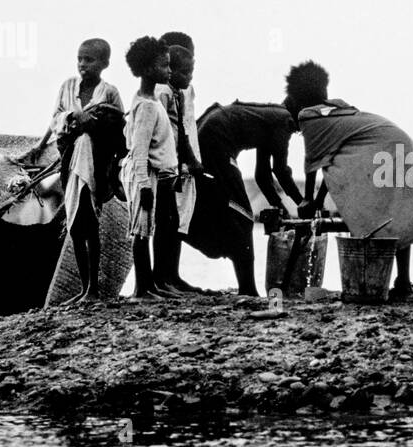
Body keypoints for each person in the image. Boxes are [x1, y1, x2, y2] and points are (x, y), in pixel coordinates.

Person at [285, 60, 413, 301]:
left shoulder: (309, 116)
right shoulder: (337, 110)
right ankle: (403, 282)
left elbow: (313, 165)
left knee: (386, 214)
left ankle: (390, 282)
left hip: (384, 146)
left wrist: (309, 200)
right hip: (399, 140)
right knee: (397, 213)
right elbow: (330, 164)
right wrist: (317, 201)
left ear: (296, 96)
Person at [30, 38, 126, 303]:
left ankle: (93, 289)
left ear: (104, 63)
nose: (83, 64)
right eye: (80, 59)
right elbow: (55, 118)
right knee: (74, 223)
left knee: (90, 222)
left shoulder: (110, 92)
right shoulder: (67, 87)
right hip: (71, 161)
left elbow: (119, 129)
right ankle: (85, 289)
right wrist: (44, 143)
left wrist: (95, 125)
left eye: (90, 59)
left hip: (95, 164)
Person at [192, 99, 305, 295]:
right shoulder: (285, 121)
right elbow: (281, 171)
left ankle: (247, 286)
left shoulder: (271, 117)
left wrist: (282, 208)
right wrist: (303, 202)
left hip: (207, 130)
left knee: (233, 214)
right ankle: (248, 289)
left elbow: (262, 175)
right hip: (216, 139)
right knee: (243, 216)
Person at [120, 37, 178, 300]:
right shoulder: (145, 106)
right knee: (141, 231)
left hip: (154, 174)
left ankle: (149, 286)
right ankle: (141, 288)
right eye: (164, 66)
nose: (169, 71)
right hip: (145, 175)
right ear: (146, 69)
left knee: (147, 229)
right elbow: (139, 150)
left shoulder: (149, 101)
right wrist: (144, 185)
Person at [154, 35, 205, 294]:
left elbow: (187, 128)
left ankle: (171, 276)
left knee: (178, 219)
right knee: (166, 221)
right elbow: (164, 130)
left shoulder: (183, 91)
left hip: (183, 164)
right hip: (167, 164)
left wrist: (193, 160)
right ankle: (161, 277)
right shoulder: (161, 92)